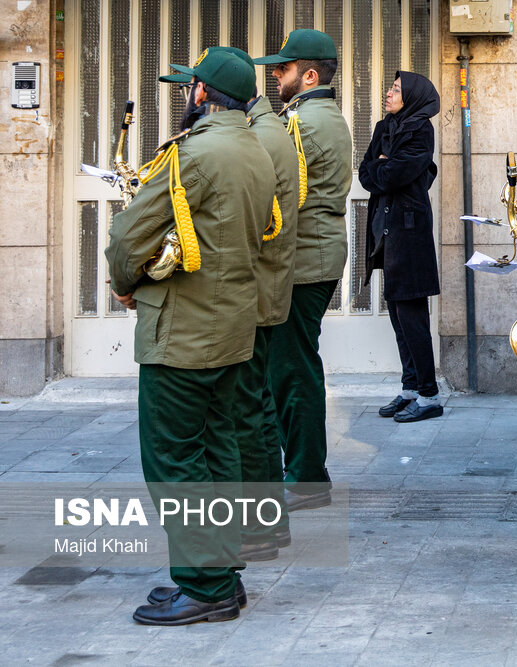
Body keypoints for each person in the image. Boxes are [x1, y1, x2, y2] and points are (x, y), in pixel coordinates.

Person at [106, 50, 275, 625]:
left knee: (176, 459)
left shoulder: (195, 151)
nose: (187, 95)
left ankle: (206, 586)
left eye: (190, 87)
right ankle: (222, 574)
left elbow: (130, 237)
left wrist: (123, 284)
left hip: (182, 330)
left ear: (202, 94)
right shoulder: (254, 146)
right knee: (219, 448)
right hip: (231, 326)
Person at [155, 46, 300, 561]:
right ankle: (264, 526)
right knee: (249, 409)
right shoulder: (257, 130)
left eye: (191, 88)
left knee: (245, 414)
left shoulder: (250, 137)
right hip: (249, 289)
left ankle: (259, 527)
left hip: (244, 293)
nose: (188, 99)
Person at [254, 29, 353, 511]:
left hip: (304, 258)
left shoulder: (303, 123)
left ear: (309, 75)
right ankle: (302, 472)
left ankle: (308, 478)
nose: (276, 76)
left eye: (283, 69)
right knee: (291, 367)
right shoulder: (314, 115)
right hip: (314, 253)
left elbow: (280, 196)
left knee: (291, 371)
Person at [359, 71, 443, 423]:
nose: (389, 93)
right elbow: (365, 174)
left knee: (412, 316)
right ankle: (410, 387)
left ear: (411, 95)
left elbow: (395, 174)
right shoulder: (385, 127)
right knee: (397, 313)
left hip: (408, 231)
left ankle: (429, 395)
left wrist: (384, 167)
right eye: (391, 87)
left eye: (396, 89)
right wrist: (381, 168)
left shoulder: (420, 129)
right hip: (386, 228)